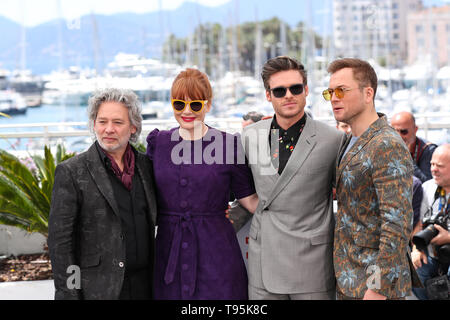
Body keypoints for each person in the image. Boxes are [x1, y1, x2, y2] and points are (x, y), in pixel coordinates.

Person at [146, 68, 258, 300]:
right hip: (168, 253)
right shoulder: (159, 143)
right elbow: (140, 195)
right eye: (179, 104)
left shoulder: (228, 145)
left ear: (208, 104)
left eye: (195, 105)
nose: (187, 111)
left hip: (217, 254)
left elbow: (249, 200)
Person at [241, 56, 345, 300]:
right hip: (263, 261)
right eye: (279, 90)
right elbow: (241, 189)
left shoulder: (333, 139)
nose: (288, 95)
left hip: (312, 263)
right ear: (268, 95)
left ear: (306, 90)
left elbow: (348, 197)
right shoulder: (249, 137)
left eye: (295, 88)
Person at [48, 88, 158, 300]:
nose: (108, 129)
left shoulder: (147, 166)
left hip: (147, 287)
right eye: (102, 121)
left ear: (133, 127)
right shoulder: (71, 172)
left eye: (117, 122)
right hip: (98, 291)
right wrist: (69, 294)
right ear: (94, 124)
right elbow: (60, 244)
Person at [324, 58, 415, 300]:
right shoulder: (348, 141)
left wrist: (377, 288)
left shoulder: (386, 144)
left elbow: (397, 225)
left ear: (368, 93)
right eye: (330, 92)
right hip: (349, 280)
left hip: (373, 288)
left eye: (342, 90)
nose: (334, 97)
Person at [412, 144, 450, 300]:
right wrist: (416, 248)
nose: (433, 169)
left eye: (439, 166)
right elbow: (418, 225)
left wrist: (448, 237)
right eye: (432, 164)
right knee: (414, 270)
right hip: (432, 252)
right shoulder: (427, 187)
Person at [390, 111, 437, 182]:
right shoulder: (386, 148)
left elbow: (427, 183)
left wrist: (406, 157)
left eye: (404, 131)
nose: (399, 136)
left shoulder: (428, 150)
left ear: (415, 129)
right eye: (394, 132)